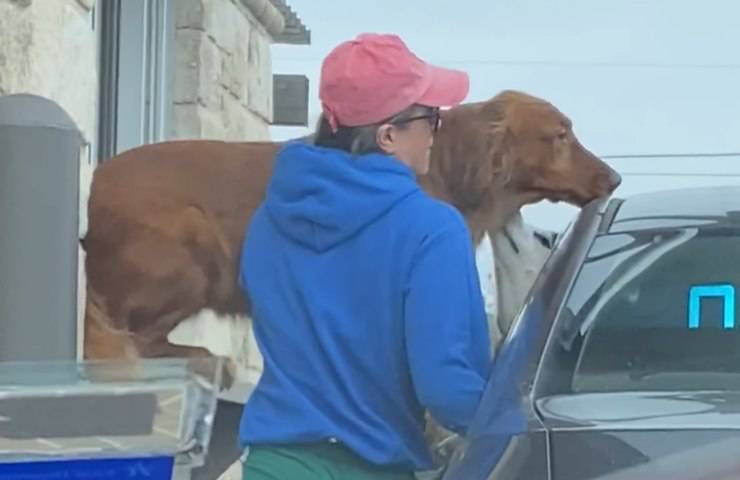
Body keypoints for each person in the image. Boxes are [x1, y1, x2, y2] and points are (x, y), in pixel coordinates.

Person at [237, 32, 491, 480]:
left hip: (271, 466)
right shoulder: (433, 230)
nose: (437, 130)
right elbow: (448, 386)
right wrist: (522, 427)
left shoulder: (269, 220)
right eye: (430, 117)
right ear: (388, 136)